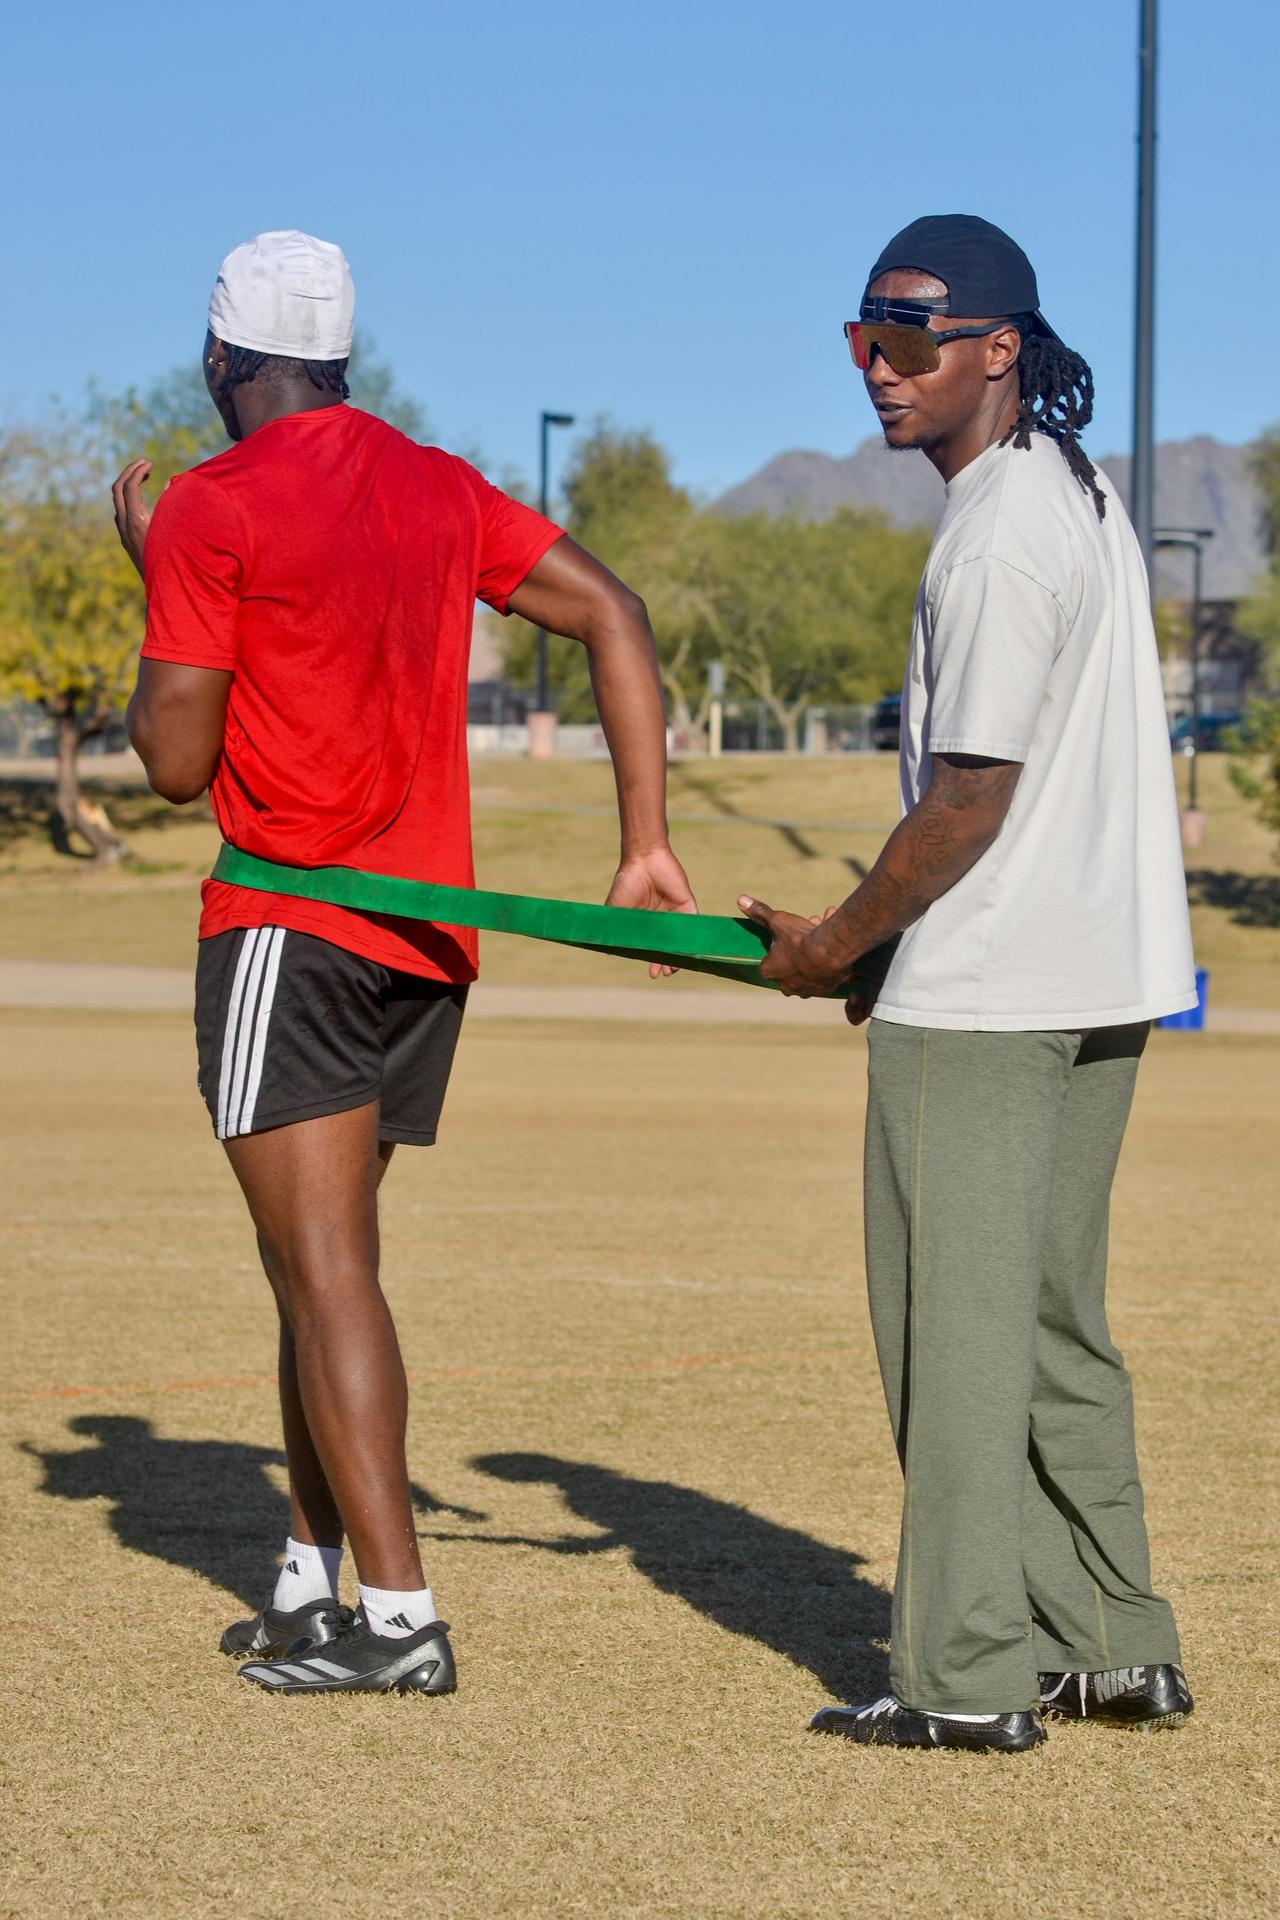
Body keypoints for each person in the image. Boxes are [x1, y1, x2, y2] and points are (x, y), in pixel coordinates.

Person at [114, 229, 695, 1697]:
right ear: (339, 356)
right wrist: (643, 843)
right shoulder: (437, 484)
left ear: (224, 358)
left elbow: (176, 760)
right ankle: (308, 1584)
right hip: (424, 946)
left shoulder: (209, 504)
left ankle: (397, 1620)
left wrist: (156, 574)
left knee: (324, 1276)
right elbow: (615, 613)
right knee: (320, 1274)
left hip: (289, 929)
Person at [738, 215, 1197, 1753]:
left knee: (955, 1333)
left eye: (913, 338)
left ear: (999, 348)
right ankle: (1112, 1640)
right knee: (1057, 1323)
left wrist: (835, 944)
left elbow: (968, 800)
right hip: (1095, 981)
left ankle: (965, 1676)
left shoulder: (1001, 525)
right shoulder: (1078, 489)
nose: (881, 367)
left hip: (991, 996)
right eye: (863, 335)